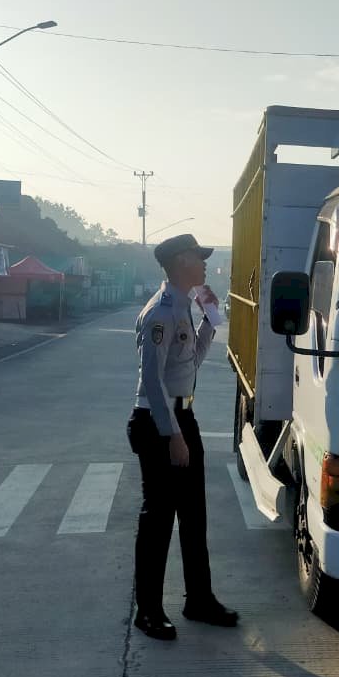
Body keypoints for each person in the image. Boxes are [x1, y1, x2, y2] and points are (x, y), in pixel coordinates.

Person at [126, 232, 238, 639]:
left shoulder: (185, 307)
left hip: (181, 417)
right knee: (158, 518)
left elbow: (191, 363)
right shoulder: (161, 312)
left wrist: (211, 319)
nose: (206, 264)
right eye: (198, 257)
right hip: (158, 423)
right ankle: (148, 611)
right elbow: (152, 383)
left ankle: (199, 599)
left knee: (194, 514)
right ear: (178, 263)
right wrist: (173, 435)